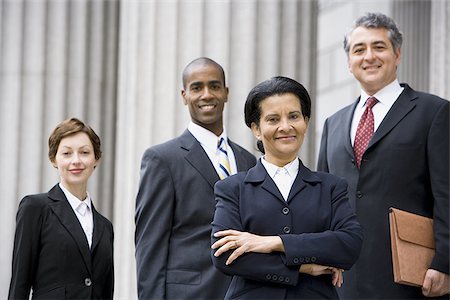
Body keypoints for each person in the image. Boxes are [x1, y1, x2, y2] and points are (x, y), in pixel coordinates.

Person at [317, 12, 449, 299]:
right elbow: (323, 201)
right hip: (344, 280)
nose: (369, 57)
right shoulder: (333, 123)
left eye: (379, 47)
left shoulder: (434, 112)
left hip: (412, 278)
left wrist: (445, 263)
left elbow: (447, 194)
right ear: (349, 62)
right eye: (359, 49)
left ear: (397, 54)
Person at [210, 76, 363, 299]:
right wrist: (303, 266)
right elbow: (225, 255)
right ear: (256, 129)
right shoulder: (232, 188)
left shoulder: (331, 187)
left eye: (294, 116)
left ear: (306, 121)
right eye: (273, 119)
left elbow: (349, 244)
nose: (285, 126)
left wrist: (274, 243)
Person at [134, 57, 256, 300]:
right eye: (197, 87)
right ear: (184, 96)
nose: (207, 94)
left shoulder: (249, 161)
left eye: (214, 86)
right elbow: (150, 246)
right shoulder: (162, 159)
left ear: (226, 92)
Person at [8, 118, 114, 300]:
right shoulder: (35, 208)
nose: (76, 160)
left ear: (96, 159)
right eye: (66, 153)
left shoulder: (105, 227)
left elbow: (106, 291)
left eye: (84, 152)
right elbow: (20, 283)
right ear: (53, 159)